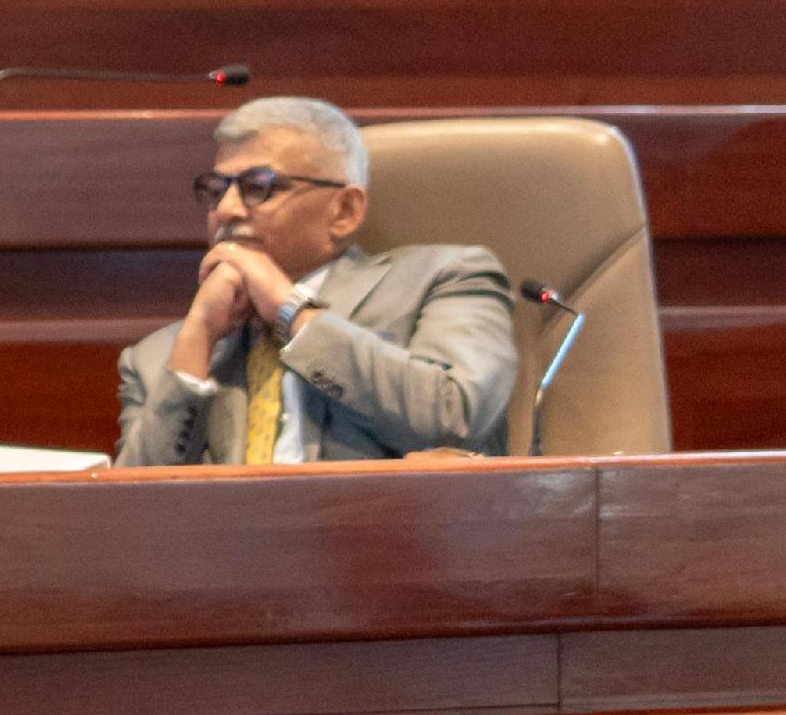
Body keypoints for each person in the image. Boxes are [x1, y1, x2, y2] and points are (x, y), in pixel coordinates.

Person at [115, 95, 513, 467]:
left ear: (344, 211)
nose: (227, 210)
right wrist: (198, 337)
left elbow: (457, 416)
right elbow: (129, 505)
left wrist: (289, 310)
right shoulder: (155, 359)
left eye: (258, 188)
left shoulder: (444, 278)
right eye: (217, 191)